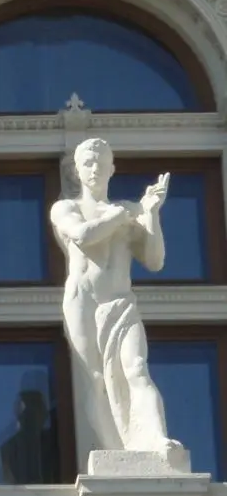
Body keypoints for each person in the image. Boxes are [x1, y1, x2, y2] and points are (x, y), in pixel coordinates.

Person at [49, 137, 175, 452]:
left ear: (112, 169)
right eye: (88, 163)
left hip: (120, 302)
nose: (95, 169)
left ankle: (156, 439)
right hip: (84, 302)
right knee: (94, 379)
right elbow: (82, 235)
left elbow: (155, 260)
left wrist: (151, 215)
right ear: (77, 171)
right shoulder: (67, 207)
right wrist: (121, 217)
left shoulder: (129, 211)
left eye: (101, 163)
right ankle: (115, 454)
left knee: (136, 367)